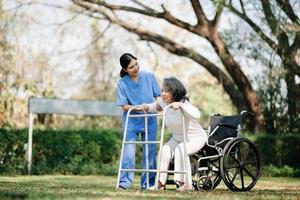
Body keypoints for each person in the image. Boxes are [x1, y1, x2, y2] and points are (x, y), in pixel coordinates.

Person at [141, 77, 208, 191]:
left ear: (175, 91)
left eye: (166, 91)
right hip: (177, 137)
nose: (163, 94)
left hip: (195, 137)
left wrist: (181, 106)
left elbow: (197, 114)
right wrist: (144, 107)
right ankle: (160, 183)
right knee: (164, 150)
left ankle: (185, 184)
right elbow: (152, 106)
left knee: (180, 150)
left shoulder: (184, 103)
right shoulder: (163, 103)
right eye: (162, 90)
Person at [116, 53, 161, 190]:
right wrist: (138, 107)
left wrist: (156, 105)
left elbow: (158, 96)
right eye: (131, 67)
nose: (135, 68)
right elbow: (124, 107)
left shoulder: (149, 76)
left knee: (149, 152)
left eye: (136, 64)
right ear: (125, 70)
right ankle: (124, 183)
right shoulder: (122, 83)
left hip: (150, 120)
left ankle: (148, 183)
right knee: (128, 153)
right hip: (132, 122)